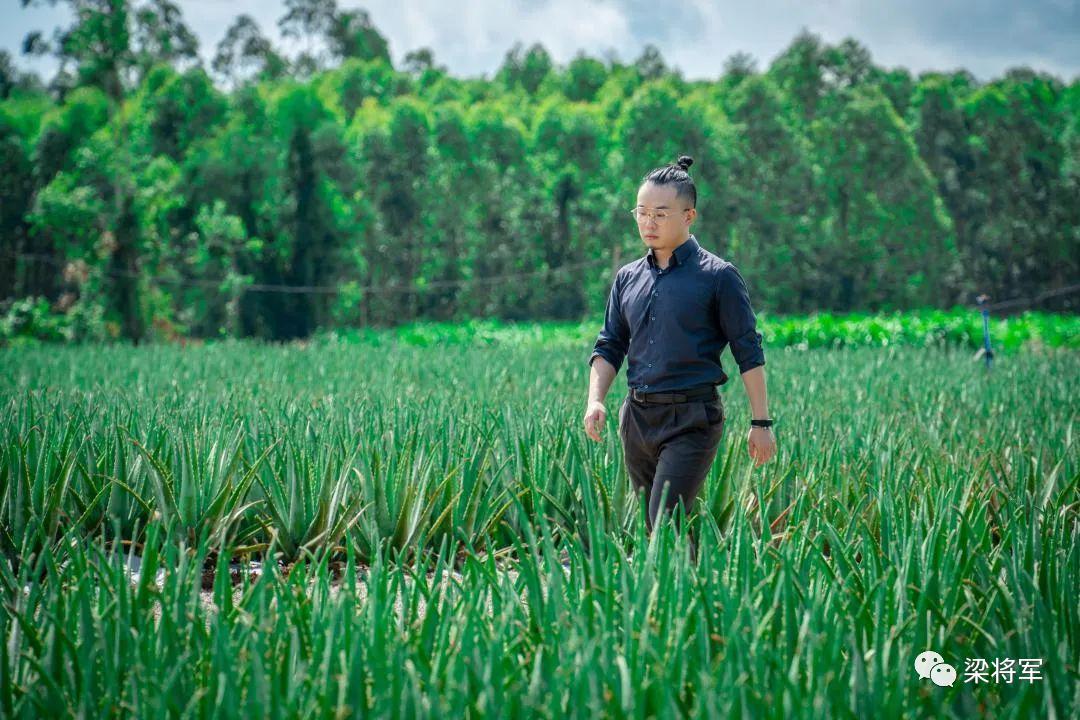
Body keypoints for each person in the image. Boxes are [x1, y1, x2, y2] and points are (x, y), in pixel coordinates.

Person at [583, 155, 777, 558]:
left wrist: (761, 422)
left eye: (660, 214)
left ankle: (672, 604)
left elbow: (748, 350)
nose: (648, 223)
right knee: (655, 525)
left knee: (665, 522)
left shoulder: (718, 276)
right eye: (641, 213)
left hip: (692, 418)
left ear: (689, 216)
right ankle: (694, 599)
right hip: (637, 419)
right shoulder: (627, 277)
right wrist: (596, 399)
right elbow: (609, 345)